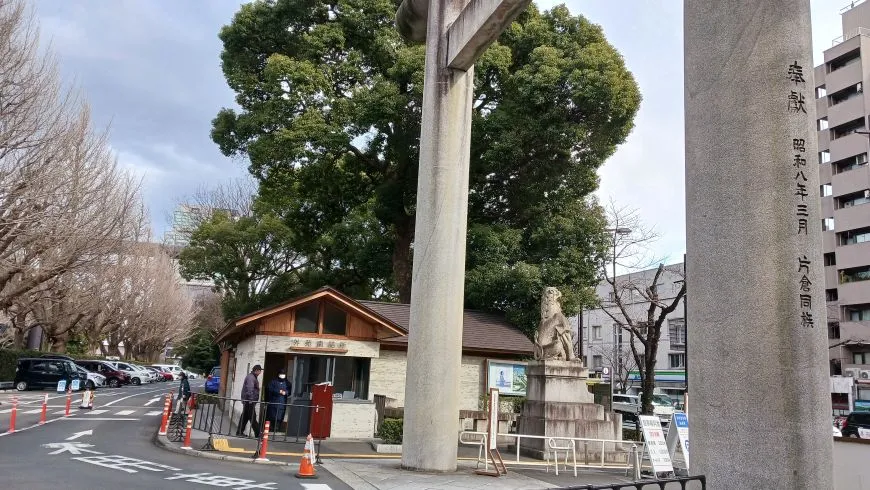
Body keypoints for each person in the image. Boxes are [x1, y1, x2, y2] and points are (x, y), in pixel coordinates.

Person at [237, 364, 262, 437]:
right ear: (256, 370)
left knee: (244, 417)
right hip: (249, 401)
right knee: (252, 418)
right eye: (260, 371)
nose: (260, 373)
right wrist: (251, 400)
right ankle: (258, 434)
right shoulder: (251, 378)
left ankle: (239, 432)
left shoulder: (252, 377)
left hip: (248, 401)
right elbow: (250, 389)